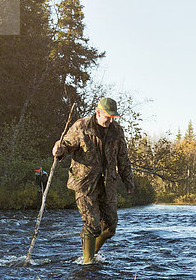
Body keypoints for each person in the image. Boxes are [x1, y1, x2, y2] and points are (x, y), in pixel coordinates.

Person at [52, 97, 135, 264]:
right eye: (108, 116)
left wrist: (128, 181)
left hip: (108, 184)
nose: (110, 120)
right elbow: (66, 145)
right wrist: (59, 150)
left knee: (110, 227)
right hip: (84, 183)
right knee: (92, 224)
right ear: (98, 113)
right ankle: (88, 263)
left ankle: (88, 255)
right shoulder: (82, 126)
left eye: (113, 117)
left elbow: (123, 158)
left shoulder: (117, 131)